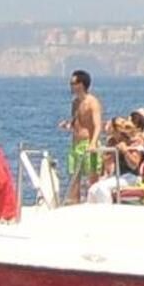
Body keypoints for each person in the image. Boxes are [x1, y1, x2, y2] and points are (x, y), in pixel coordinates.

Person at [58, 69, 103, 202]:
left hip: (88, 143)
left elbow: (97, 125)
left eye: (73, 83)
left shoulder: (92, 102)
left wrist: (93, 142)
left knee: (92, 176)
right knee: (74, 176)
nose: (70, 86)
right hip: (75, 144)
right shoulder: (75, 103)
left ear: (81, 84)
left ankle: (94, 204)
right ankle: (75, 202)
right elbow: (77, 122)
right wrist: (68, 125)